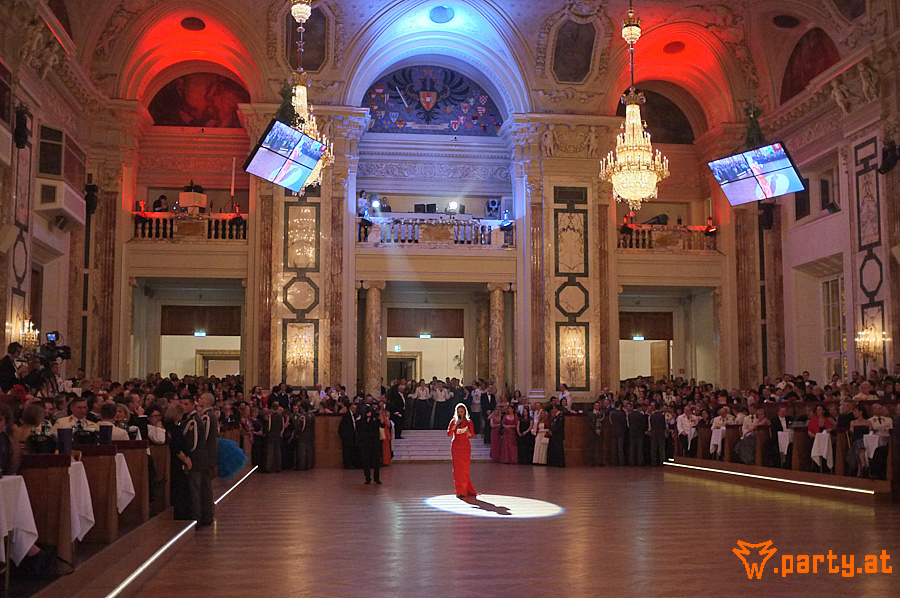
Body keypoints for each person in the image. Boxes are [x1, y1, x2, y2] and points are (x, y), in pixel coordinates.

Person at [447, 403, 477, 497]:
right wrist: (455, 425)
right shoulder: (453, 421)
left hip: (465, 446)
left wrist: (467, 432)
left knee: (464, 468)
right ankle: (459, 490)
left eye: (461, 411)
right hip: (456, 446)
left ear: (465, 412)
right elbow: (449, 434)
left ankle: (464, 489)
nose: (460, 413)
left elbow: (473, 435)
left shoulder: (469, 422)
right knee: (457, 469)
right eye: (458, 412)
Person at [197, 392, 218, 526]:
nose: (199, 400)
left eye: (201, 398)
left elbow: (203, 436)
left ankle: (207, 514)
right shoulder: (210, 415)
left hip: (206, 455)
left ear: (206, 401)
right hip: (209, 454)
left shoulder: (207, 416)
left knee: (205, 485)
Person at [357, 403, 383, 484]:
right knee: (366, 462)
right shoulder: (360, 421)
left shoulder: (375, 420)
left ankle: (376, 478)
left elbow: (382, 425)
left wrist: (380, 415)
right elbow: (360, 430)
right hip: (365, 443)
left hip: (375, 443)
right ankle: (367, 478)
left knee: (376, 462)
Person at [263, 404, 284, 473]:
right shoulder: (280, 416)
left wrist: (267, 433)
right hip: (277, 435)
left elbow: (267, 427)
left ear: (272, 409)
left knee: (270, 452)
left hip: (270, 436)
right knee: (278, 452)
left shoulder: (269, 417)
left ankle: (268, 467)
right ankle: (278, 467)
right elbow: (281, 426)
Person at [339, 402, 359, 469]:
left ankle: (352, 463)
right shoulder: (347, 416)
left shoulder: (355, 415)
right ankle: (347, 464)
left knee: (352, 451)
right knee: (347, 451)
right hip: (347, 437)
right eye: (354, 408)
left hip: (353, 437)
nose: (355, 410)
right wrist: (344, 437)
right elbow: (342, 427)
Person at [587, 401, 605, 467]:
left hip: (600, 432)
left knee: (600, 447)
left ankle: (601, 461)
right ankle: (591, 462)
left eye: (598, 405)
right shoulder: (590, 414)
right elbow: (589, 423)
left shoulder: (601, 414)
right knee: (592, 447)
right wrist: (595, 429)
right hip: (592, 432)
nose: (597, 407)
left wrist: (600, 429)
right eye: (595, 405)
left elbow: (603, 423)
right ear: (593, 406)